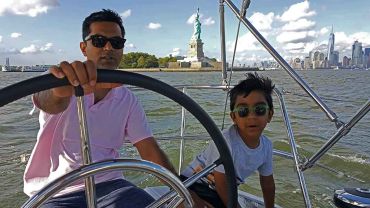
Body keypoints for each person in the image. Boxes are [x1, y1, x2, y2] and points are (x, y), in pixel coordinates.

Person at [24, 9, 176, 207]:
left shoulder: (127, 100)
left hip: (112, 185)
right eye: (98, 40)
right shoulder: (61, 78)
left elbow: (148, 149)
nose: (108, 48)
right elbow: (48, 101)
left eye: (116, 43)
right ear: (83, 47)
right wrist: (63, 88)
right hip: (56, 191)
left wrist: (181, 190)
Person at [181, 73, 276, 208]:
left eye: (259, 109)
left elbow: (268, 184)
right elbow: (221, 183)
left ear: (270, 115)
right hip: (194, 182)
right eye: (243, 111)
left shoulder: (266, 146)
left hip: (217, 190)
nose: (252, 117)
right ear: (234, 117)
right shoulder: (226, 140)